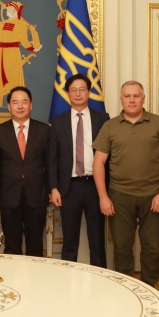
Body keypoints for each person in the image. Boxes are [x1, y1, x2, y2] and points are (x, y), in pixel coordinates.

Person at [92, 80, 159, 286]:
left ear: (143, 98)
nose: (131, 100)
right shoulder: (110, 126)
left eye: (136, 96)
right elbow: (98, 163)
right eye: (127, 96)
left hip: (153, 196)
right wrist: (103, 197)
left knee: (151, 249)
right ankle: (127, 291)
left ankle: (149, 290)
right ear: (121, 99)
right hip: (119, 197)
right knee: (122, 248)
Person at [49, 74, 109, 266]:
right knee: (69, 241)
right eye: (73, 90)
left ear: (89, 92)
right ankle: (68, 281)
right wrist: (54, 188)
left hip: (95, 186)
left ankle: (101, 281)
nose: (77, 93)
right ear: (67, 94)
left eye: (82, 89)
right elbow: (52, 158)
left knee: (97, 240)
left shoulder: (103, 119)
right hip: (69, 187)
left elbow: (110, 156)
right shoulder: (58, 122)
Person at [0, 86, 49, 256]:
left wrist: (52, 189)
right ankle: (13, 281)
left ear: (31, 105)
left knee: (35, 245)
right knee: (12, 245)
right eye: (15, 102)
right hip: (9, 197)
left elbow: (50, 163)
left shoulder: (44, 130)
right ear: (9, 106)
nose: (20, 106)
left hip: (36, 195)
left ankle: (35, 281)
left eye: (24, 102)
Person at [0, 1, 41, 106]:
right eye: (8, 9)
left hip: (13, 54)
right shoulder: (1, 24)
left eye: (11, 10)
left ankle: (15, 101)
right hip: (2, 53)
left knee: (13, 76)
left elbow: (25, 43)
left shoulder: (21, 25)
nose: (9, 11)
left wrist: (33, 47)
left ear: (16, 11)